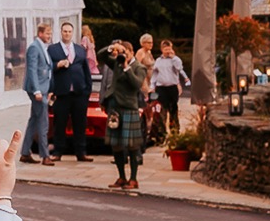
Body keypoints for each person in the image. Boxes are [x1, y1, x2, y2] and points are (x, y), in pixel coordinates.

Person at [100, 39, 149, 193]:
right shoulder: (116, 63)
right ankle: (121, 177)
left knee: (133, 146)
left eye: (125, 52)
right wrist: (111, 47)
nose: (122, 55)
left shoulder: (139, 67)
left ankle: (133, 178)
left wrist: (127, 67)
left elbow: (136, 84)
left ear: (131, 52)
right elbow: (101, 56)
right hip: (115, 108)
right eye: (121, 53)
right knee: (116, 145)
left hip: (129, 108)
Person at [48, 18, 92, 162]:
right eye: (65, 31)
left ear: (73, 33)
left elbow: (86, 70)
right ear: (61, 32)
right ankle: (58, 151)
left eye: (69, 32)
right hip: (62, 93)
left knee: (80, 123)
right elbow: (47, 68)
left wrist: (87, 90)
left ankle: (81, 151)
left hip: (79, 93)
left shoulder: (79, 49)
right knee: (59, 123)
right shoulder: (53, 49)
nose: (67, 34)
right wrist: (57, 65)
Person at [21, 22, 53, 165]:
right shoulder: (34, 47)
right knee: (43, 122)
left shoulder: (42, 47)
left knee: (34, 120)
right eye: (47, 33)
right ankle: (45, 155)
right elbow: (32, 70)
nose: (49, 36)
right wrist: (37, 90)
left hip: (43, 88)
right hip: (38, 90)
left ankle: (25, 152)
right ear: (40, 33)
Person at [151, 39, 190, 134]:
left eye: (169, 49)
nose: (168, 51)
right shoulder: (158, 61)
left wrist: (173, 58)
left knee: (173, 110)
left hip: (172, 87)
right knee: (161, 110)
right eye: (166, 49)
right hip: (161, 88)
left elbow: (179, 68)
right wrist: (152, 85)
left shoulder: (175, 60)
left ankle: (174, 131)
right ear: (162, 49)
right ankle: (162, 133)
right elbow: (155, 73)